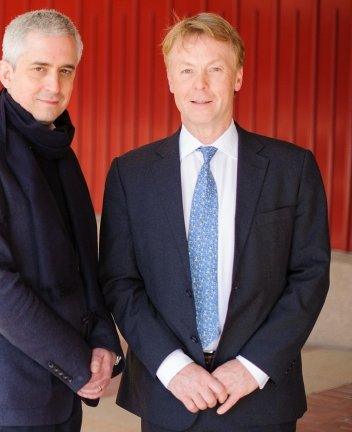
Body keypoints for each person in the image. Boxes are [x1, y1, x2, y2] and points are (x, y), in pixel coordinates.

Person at [99, 12, 330, 432]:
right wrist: (173, 368)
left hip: (260, 398)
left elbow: (310, 277)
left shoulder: (291, 169)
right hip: (168, 396)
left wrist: (253, 366)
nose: (199, 85)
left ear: (238, 77)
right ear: (170, 80)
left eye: (215, 69)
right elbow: (120, 282)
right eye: (186, 70)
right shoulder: (130, 175)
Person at [0, 9, 123, 431]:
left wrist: (102, 340)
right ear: (6, 72)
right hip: (10, 394)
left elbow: (84, 265)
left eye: (66, 70)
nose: (54, 86)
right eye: (39, 68)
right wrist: (80, 364)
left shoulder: (59, 150)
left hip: (64, 391)